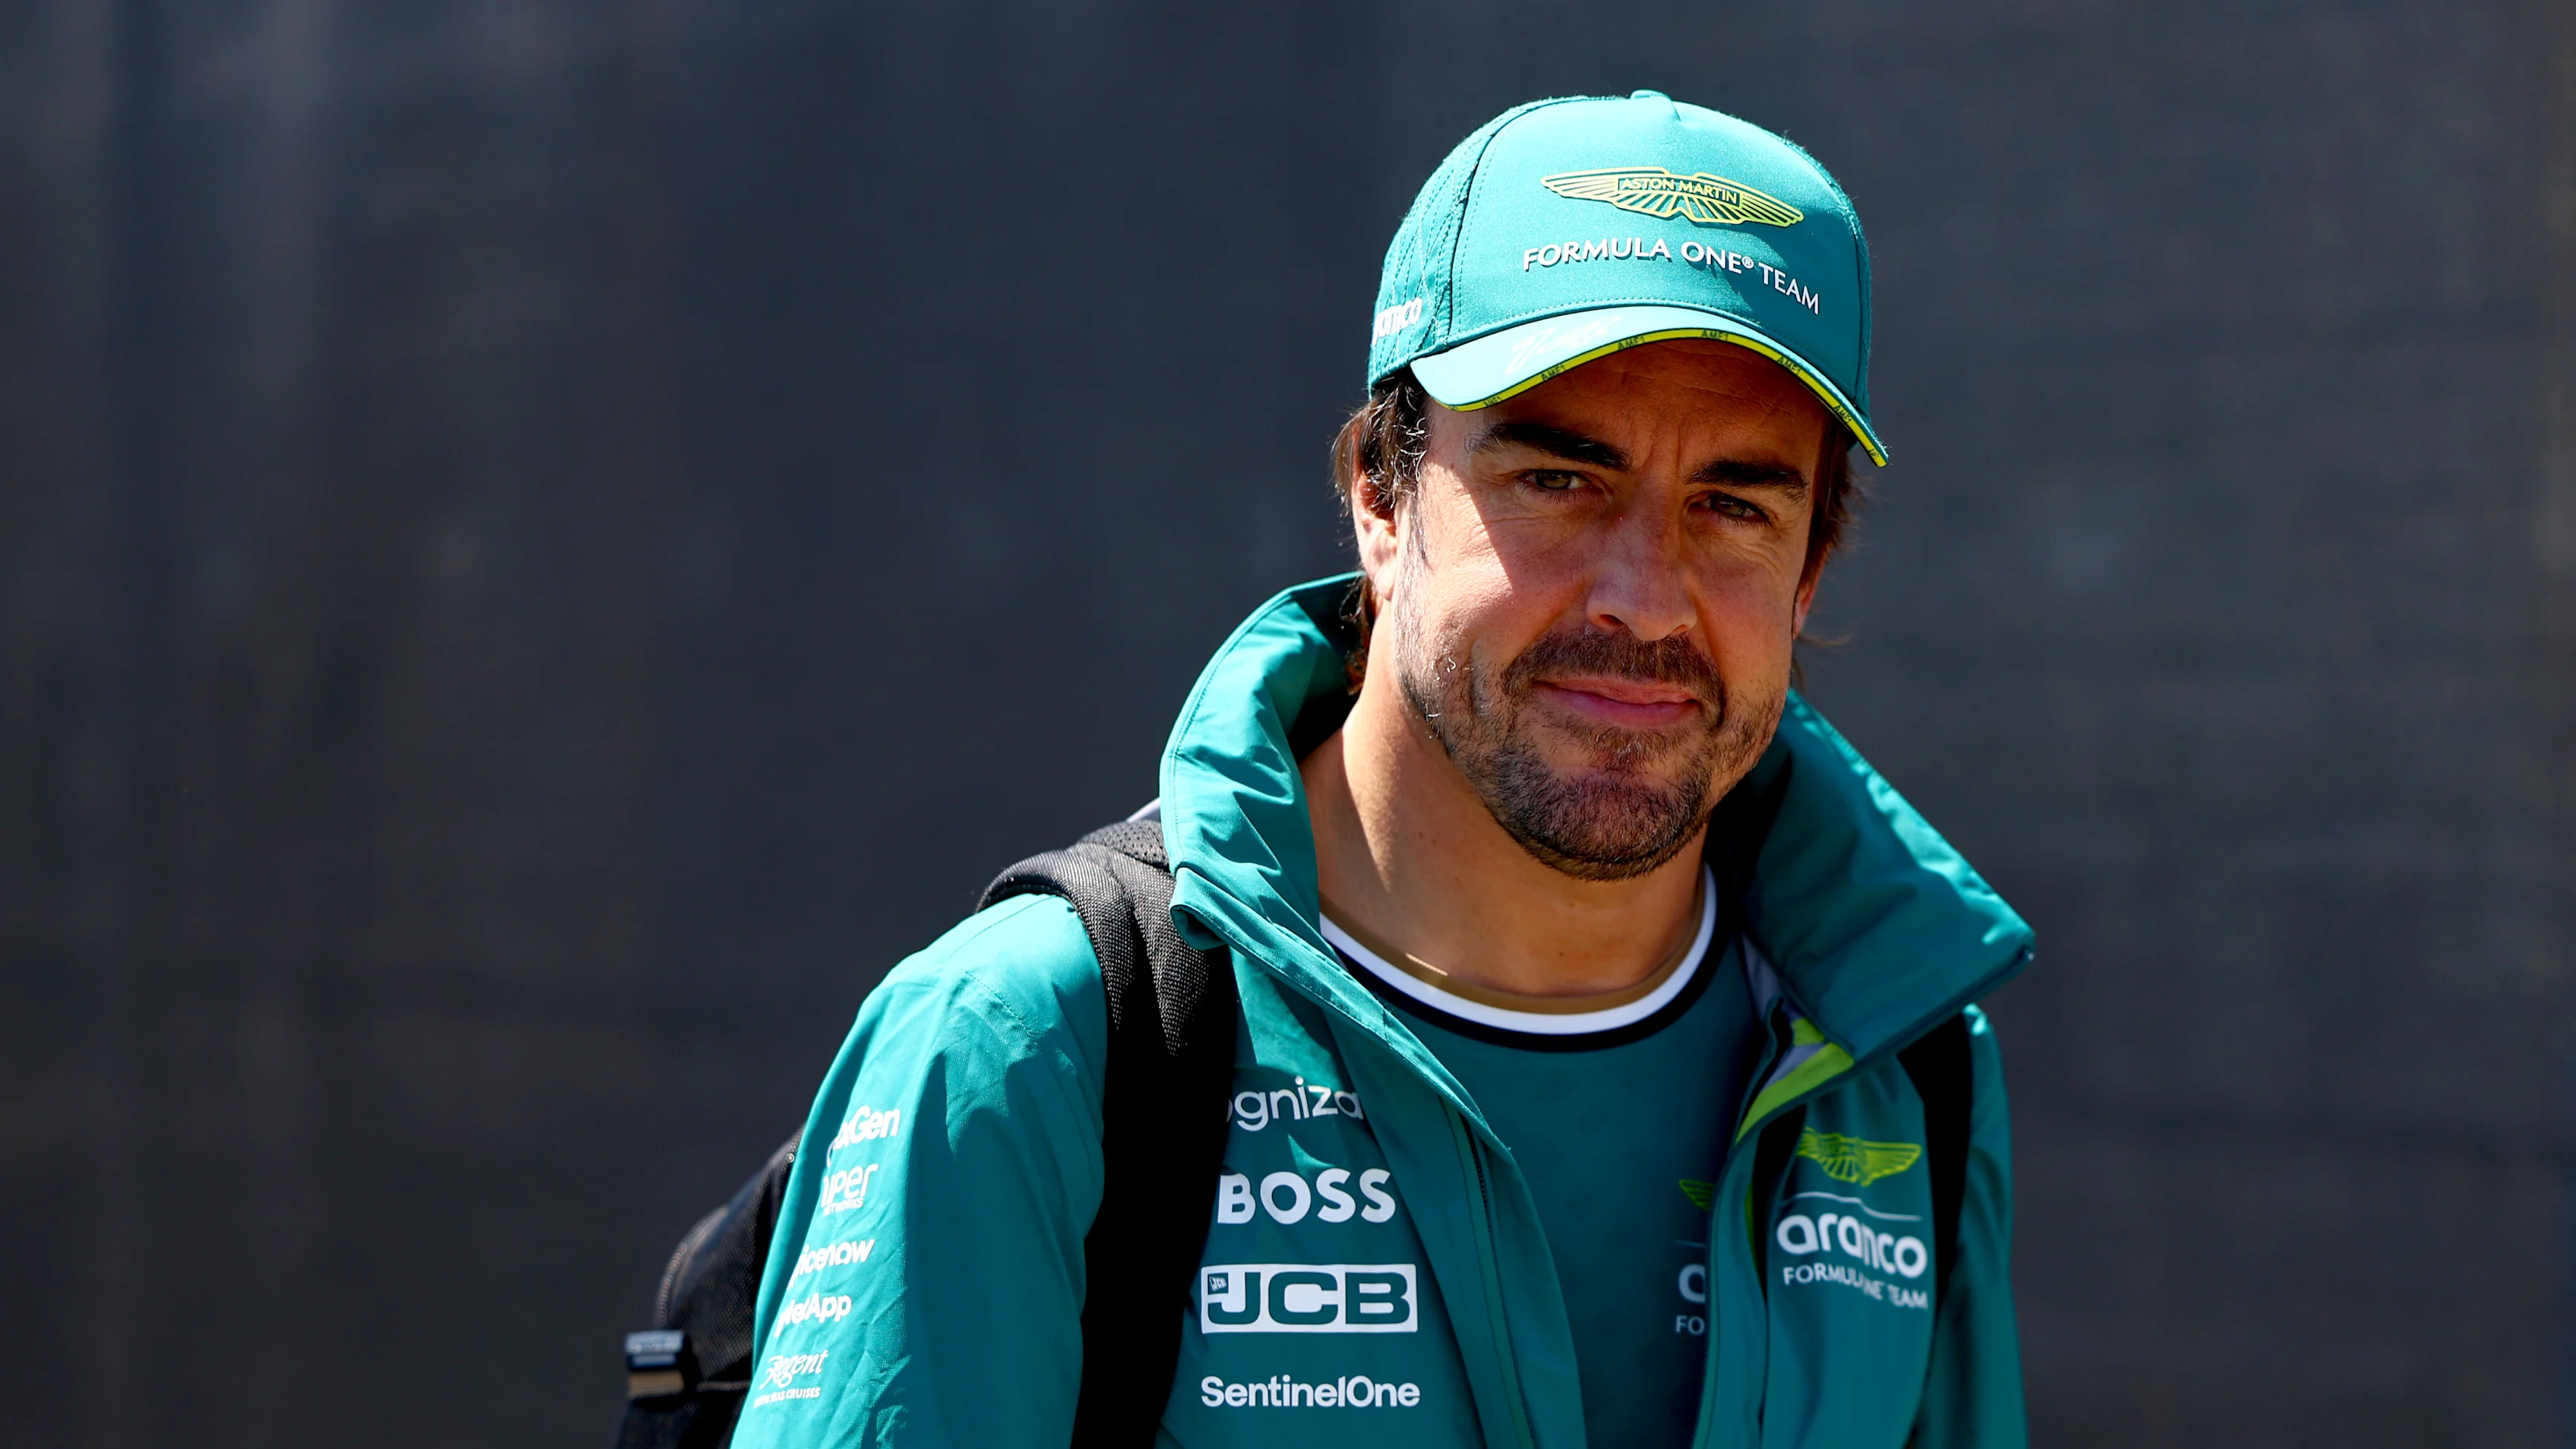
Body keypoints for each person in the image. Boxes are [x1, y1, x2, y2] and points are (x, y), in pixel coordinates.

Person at [728, 91, 2032, 1449]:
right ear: (1381, 500)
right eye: (1559, 481)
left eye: (1735, 506)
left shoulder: (1904, 1062)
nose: (1646, 601)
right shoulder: (1034, 1046)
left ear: (1812, 566)